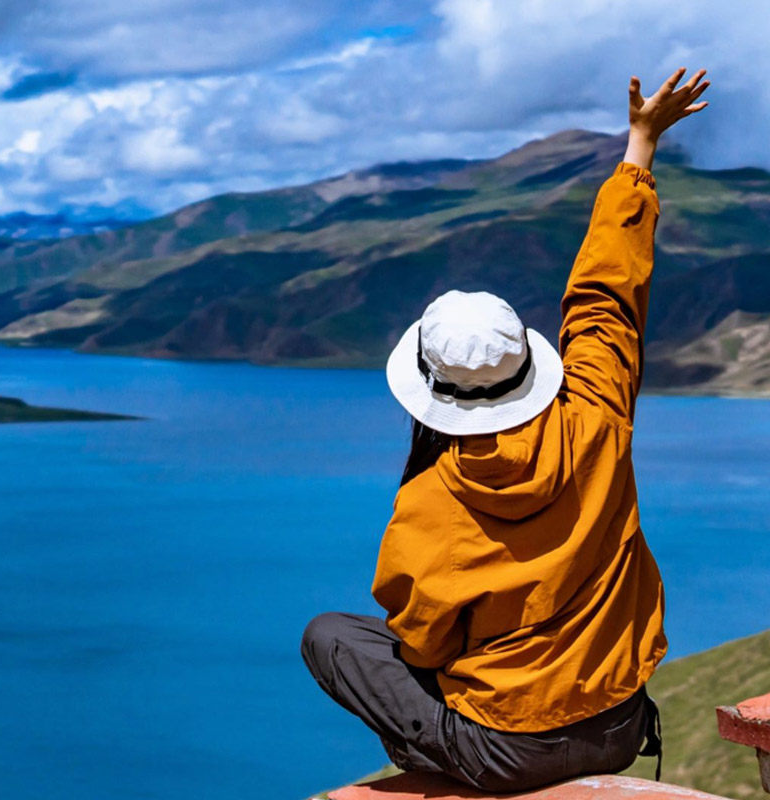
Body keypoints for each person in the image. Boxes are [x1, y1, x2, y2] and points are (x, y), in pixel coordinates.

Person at [301, 67, 710, 793]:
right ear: (529, 361)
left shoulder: (431, 504)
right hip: (616, 724)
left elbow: (423, 646)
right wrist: (640, 146)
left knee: (328, 637)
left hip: (505, 751)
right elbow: (607, 295)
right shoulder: (597, 415)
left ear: (428, 392)